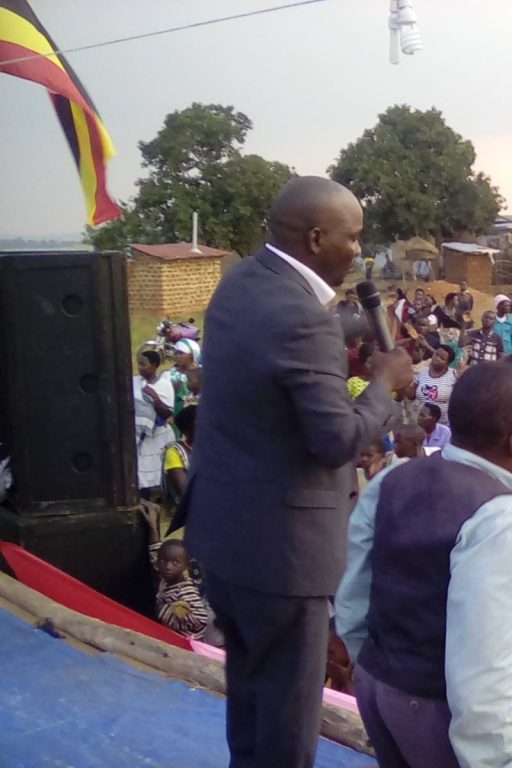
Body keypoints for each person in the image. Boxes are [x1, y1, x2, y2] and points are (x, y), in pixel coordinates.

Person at [183, 178, 412, 768]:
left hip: (225, 537)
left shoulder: (241, 281)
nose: (358, 252)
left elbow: (274, 363)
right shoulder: (303, 319)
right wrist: (384, 384)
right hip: (284, 556)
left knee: (250, 701)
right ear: (315, 238)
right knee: (287, 725)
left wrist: (351, 337)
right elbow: (335, 441)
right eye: (352, 238)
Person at [336, 363, 512, 768]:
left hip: (377, 687)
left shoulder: (394, 478)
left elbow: (353, 594)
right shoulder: (501, 517)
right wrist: (501, 760)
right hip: (436, 713)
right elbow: (482, 671)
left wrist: (375, 667)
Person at [133, 349, 176, 493]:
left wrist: (154, 397)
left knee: (158, 470)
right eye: (139, 364)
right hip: (139, 435)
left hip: (157, 434)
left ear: (154, 365)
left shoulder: (164, 384)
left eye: (143, 364)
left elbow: (167, 412)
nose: (140, 367)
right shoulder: (134, 382)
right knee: (140, 473)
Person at [414, 345, 458, 425]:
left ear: (448, 363)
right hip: (423, 423)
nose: (437, 358)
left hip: (445, 424)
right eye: (436, 354)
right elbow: (411, 395)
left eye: (442, 358)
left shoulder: (453, 375)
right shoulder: (423, 371)